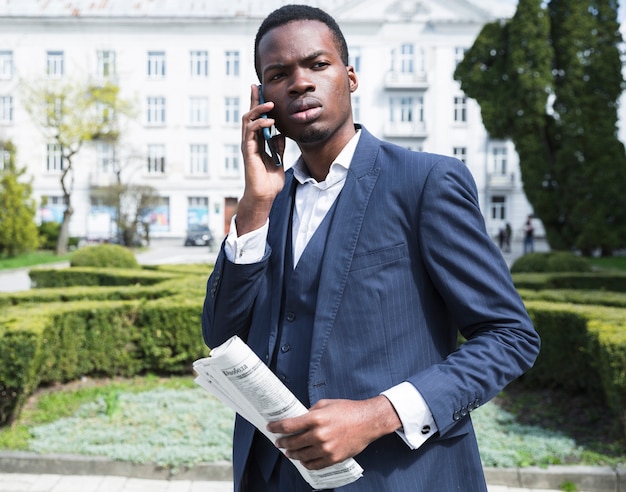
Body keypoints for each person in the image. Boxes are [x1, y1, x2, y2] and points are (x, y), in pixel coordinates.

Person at [202, 5, 540, 491]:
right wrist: (253, 205)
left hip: (397, 477)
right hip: (271, 476)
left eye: (317, 65)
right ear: (263, 99)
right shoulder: (267, 202)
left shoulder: (425, 182)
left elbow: (510, 337)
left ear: (351, 77)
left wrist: (379, 415)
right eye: (279, 74)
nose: (299, 83)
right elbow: (221, 336)